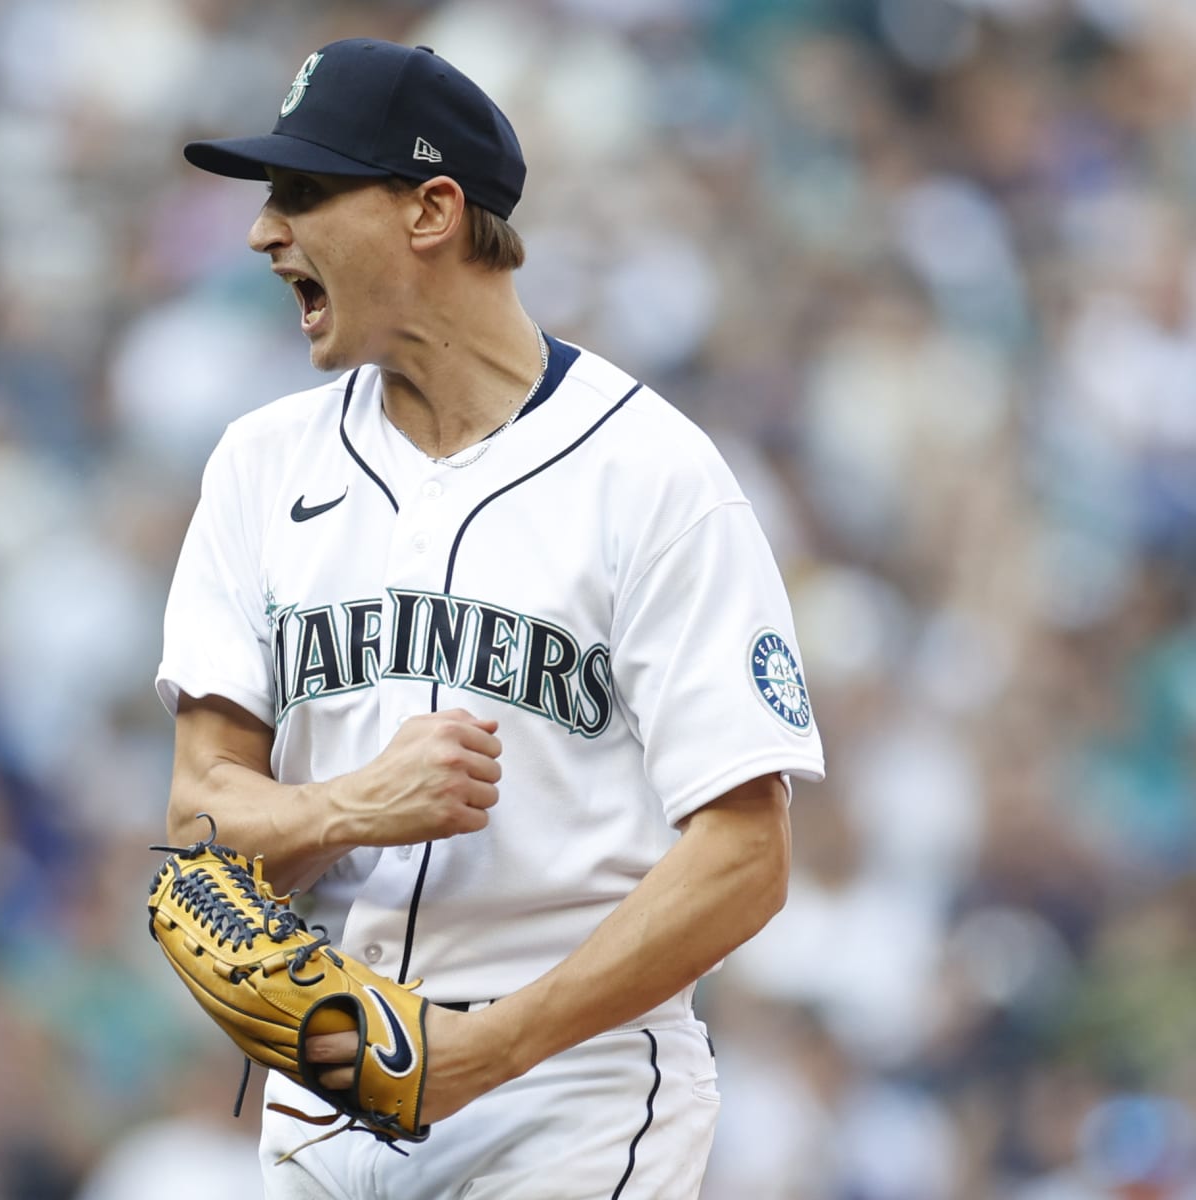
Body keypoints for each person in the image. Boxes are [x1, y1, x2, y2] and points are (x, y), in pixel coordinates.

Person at [156, 37, 825, 1199]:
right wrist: (359, 802)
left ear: (432, 210)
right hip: (327, 1069)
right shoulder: (259, 467)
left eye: (304, 193)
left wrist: (497, 1046)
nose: (266, 231)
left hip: (569, 1084)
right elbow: (199, 825)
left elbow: (746, 855)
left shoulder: (651, 472)